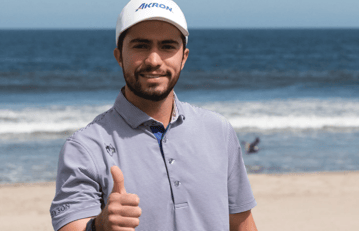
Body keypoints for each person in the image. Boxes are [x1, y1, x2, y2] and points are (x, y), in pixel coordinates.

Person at [50, 0, 258, 230]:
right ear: (119, 56)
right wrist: (99, 227)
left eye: (168, 46)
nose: (154, 60)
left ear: (184, 57)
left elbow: (242, 223)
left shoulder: (218, 130)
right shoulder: (85, 147)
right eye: (140, 46)